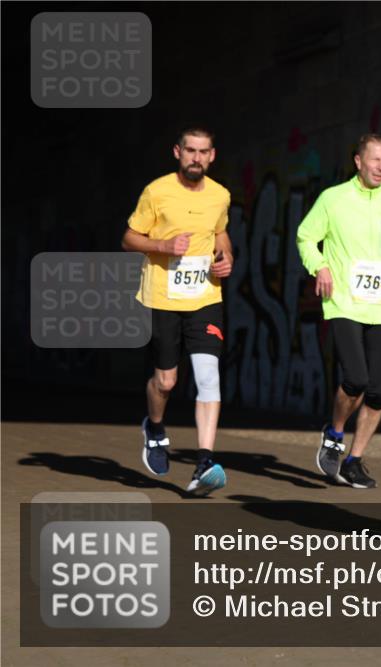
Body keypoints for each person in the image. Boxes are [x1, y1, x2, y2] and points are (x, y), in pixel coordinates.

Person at [297, 133, 381, 488]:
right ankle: (334, 433)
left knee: (378, 390)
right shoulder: (333, 199)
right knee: (355, 378)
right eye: (375, 160)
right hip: (345, 302)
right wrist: (319, 266)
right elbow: (306, 236)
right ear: (358, 161)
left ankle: (354, 459)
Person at [122, 126, 233, 496]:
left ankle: (204, 461)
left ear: (212, 156)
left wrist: (226, 257)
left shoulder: (220, 195)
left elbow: (220, 235)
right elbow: (128, 239)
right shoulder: (157, 191)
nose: (196, 158)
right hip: (162, 298)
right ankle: (154, 427)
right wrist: (164, 245)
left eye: (203, 152)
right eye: (190, 151)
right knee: (166, 381)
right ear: (177, 152)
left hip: (205, 299)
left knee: (208, 377)